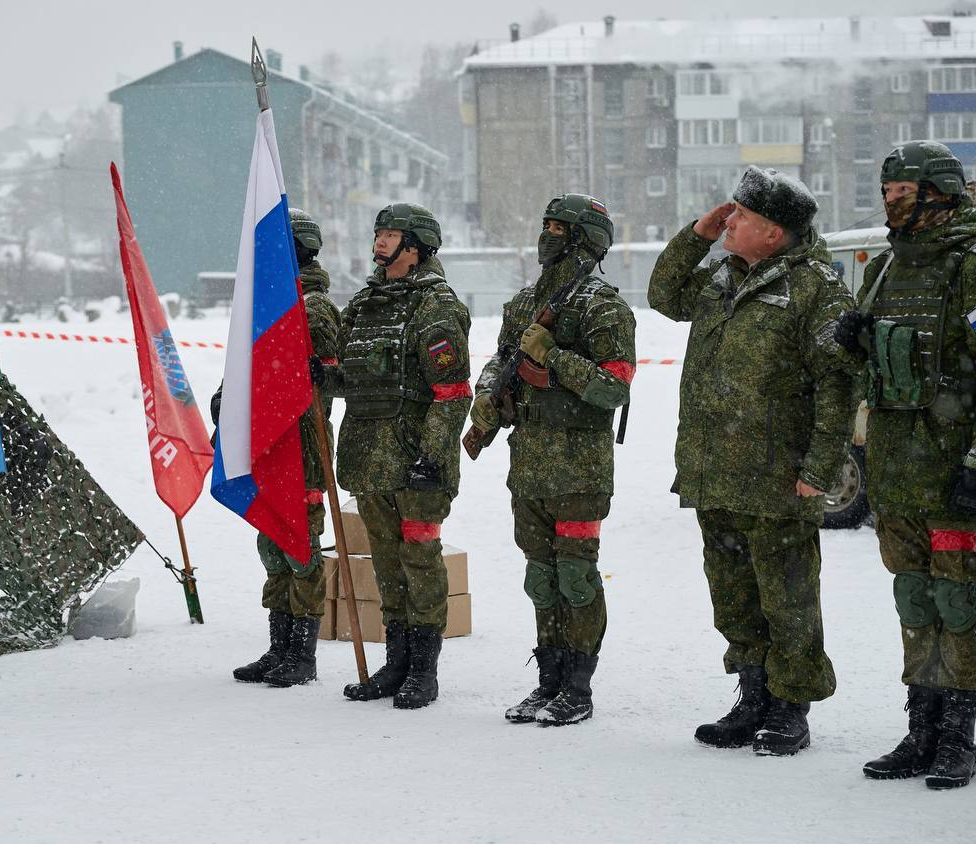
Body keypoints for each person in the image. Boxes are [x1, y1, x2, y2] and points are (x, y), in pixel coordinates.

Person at [833, 141, 976, 788]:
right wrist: (857, 345)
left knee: (956, 598)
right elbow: (878, 370)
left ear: (938, 194)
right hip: (895, 470)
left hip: (952, 469)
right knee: (913, 598)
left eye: (902, 193)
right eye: (887, 192)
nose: (890, 203)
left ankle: (957, 735)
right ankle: (921, 728)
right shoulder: (887, 267)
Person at [649, 166, 855, 756]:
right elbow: (663, 295)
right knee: (734, 596)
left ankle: (790, 706)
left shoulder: (816, 288)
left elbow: (838, 384)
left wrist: (818, 469)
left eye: (741, 216)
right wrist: (697, 235)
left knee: (788, 600)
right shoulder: (721, 277)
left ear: (773, 233)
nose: (729, 222)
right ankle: (753, 695)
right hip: (716, 470)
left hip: (777, 476)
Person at [470, 194, 634, 725]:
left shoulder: (602, 307)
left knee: (576, 577)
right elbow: (500, 360)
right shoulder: (525, 303)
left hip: (579, 469)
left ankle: (578, 688)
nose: (546, 236)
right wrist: (487, 394)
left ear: (584, 239)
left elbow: (614, 388)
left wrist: (554, 357)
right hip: (530, 465)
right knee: (540, 577)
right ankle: (548, 680)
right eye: (545, 225)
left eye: (557, 228)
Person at [324, 203, 471, 709]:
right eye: (378, 233)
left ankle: (423, 671)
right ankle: (396, 663)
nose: (380, 242)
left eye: (391, 235)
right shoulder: (363, 304)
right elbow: (353, 376)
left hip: (415, 462)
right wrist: (324, 376)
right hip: (369, 460)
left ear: (416, 247)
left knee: (420, 563)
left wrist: (433, 455)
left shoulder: (436, 305)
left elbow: (452, 392)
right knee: (387, 564)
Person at [218, 208, 340, 687]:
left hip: (301, 449)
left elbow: (330, 380)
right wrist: (226, 404)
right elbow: (244, 369)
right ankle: (279, 647)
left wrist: (308, 377)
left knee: (300, 550)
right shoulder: (264, 306)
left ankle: (303, 654)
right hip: (267, 447)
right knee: (272, 544)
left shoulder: (315, 309)